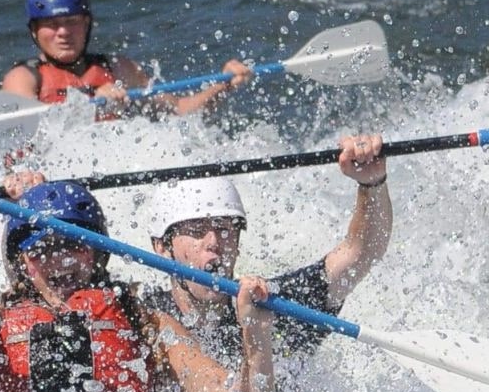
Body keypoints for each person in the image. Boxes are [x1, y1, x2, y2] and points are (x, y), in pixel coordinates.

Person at [0, 170, 277, 392]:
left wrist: (255, 337)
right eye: (43, 249)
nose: (59, 258)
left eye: (74, 244)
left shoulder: (148, 325)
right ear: (24, 263)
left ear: (96, 254)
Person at [142, 134, 390, 372]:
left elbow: (361, 253)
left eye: (224, 229)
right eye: (196, 230)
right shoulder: (141, 320)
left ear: (238, 244)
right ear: (162, 247)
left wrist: (372, 183)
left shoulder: (270, 306)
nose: (214, 241)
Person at [2, 0, 253, 117]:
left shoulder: (119, 69)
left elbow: (181, 110)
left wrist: (224, 85)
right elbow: (33, 137)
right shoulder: (23, 78)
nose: (64, 32)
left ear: (87, 24)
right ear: (34, 31)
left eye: (72, 22)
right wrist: (92, 104)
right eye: (52, 24)